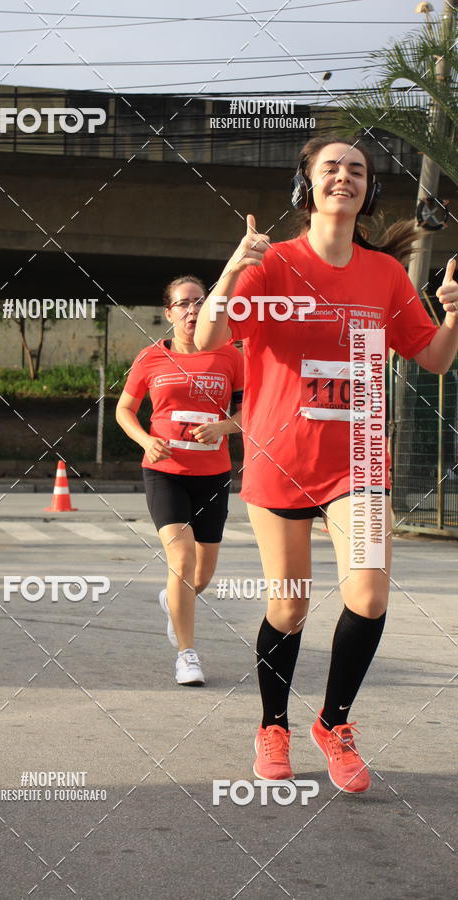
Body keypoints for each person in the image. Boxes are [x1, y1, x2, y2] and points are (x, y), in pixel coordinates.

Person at [195, 135, 458, 791]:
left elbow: (433, 357)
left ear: (368, 190)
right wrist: (232, 268)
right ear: (306, 184)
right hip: (281, 455)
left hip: (362, 458)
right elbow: (208, 337)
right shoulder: (275, 263)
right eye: (331, 167)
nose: (345, 177)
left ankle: (333, 723)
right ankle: (273, 725)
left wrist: (453, 317)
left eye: (358, 170)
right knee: (289, 607)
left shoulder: (385, 275)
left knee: (367, 594)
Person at [116, 276, 244, 685]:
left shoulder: (231, 356)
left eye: (199, 302)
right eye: (183, 304)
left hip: (213, 475)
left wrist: (224, 428)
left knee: (200, 576)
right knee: (183, 559)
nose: (192, 310)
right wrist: (146, 440)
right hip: (164, 473)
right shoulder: (149, 358)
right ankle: (187, 655)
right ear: (169, 312)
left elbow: (250, 414)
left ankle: (173, 598)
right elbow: (124, 410)